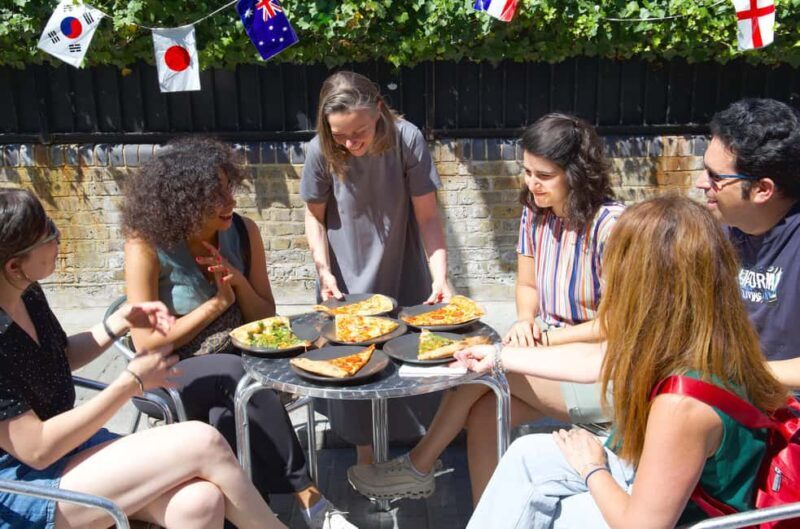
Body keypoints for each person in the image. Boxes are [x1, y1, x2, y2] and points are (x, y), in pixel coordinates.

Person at [455, 194, 788, 529]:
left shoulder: (681, 405)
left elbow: (640, 526)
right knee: (526, 455)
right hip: (668, 484)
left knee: (552, 514)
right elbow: (596, 360)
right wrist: (499, 356)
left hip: (685, 518)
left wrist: (592, 467)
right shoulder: (704, 339)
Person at [348, 113, 623, 503]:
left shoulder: (613, 227)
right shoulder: (535, 211)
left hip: (602, 373)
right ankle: (486, 517)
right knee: (483, 415)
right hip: (549, 355)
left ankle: (418, 466)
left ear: (577, 173)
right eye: (527, 171)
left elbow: (619, 323)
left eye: (544, 175)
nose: (532, 183)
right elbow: (526, 284)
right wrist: (527, 320)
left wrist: (546, 337)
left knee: (482, 369)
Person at [0, 188, 287, 529]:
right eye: (48, 234)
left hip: (72, 452)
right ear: (15, 266)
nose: (57, 240)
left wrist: (118, 321)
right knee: (202, 440)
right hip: (24, 487)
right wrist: (131, 383)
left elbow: (58, 357)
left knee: (198, 502)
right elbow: (37, 449)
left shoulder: (27, 293)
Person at [122, 138, 356, 529]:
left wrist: (240, 285)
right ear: (184, 201)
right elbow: (146, 343)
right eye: (213, 195)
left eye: (228, 187)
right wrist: (216, 303)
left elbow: (265, 314)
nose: (228, 200)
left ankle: (245, 512)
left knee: (226, 406)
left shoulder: (244, 232)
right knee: (237, 376)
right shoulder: (146, 245)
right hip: (170, 367)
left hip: (239, 356)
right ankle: (309, 498)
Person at [300, 71, 452, 464]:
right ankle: (365, 460)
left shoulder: (407, 139)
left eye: (360, 132)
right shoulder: (319, 150)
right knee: (351, 374)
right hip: (343, 281)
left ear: (379, 110)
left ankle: (416, 459)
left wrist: (441, 277)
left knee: (414, 367)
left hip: (404, 270)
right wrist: (323, 271)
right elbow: (314, 217)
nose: (351, 144)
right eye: (341, 136)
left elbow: (429, 217)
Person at [694, 98, 800, 385]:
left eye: (716, 177)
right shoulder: (722, 230)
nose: (701, 183)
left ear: (762, 190)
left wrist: (739, 374)